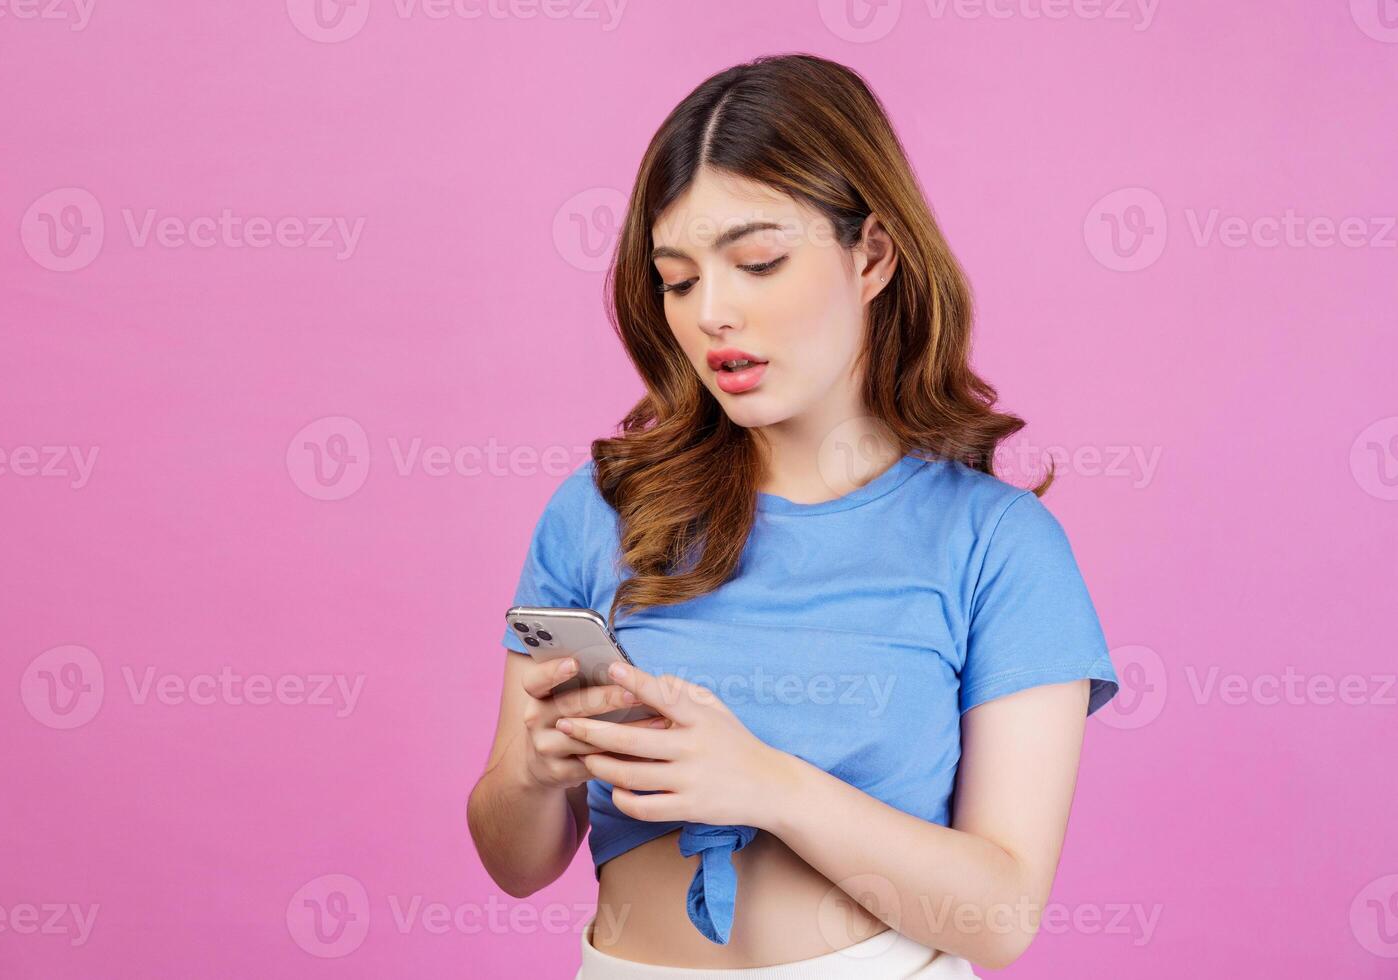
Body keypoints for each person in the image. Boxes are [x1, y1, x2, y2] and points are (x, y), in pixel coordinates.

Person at [468, 53, 1120, 979]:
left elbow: (1001, 916)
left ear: (873, 256)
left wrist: (765, 784)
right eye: (679, 279)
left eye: (759, 261)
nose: (713, 314)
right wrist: (531, 775)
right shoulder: (601, 510)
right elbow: (517, 863)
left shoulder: (998, 545)